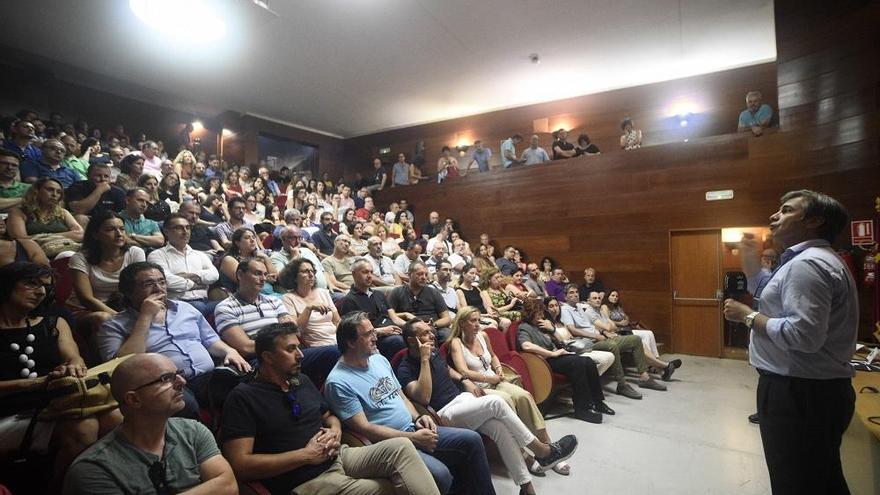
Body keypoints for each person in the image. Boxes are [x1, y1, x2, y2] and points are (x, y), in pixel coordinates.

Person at [722, 190, 856, 494]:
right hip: (813, 390)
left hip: (800, 394)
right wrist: (749, 258)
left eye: (786, 210)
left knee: (795, 483)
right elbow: (766, 287)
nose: (774, 216)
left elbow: (804, 336)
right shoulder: (810, 260)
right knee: (820, 479)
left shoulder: (807, 266)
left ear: (814, 221)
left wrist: (747, 316)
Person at [220, 322, 439, 495]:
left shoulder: (301, 380)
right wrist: (305, 455)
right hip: (305, 479)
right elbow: (240, 464)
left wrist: (335, 431)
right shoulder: (243, 398)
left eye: (299, 347)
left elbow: (330, 416)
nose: (301, 355)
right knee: (389, 487)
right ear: (267, 358)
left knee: (400, 447)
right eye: (291, 349)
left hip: (337, 455)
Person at [398, 318, 577, 495]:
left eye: (430, 331)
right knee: (497, 402)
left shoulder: (435, 352)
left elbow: (446, 369)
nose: (432, 335)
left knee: (500, 428)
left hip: (462, 399)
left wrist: (464, 380)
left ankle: (526, 487)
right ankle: (541, 450)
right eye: (425, 333)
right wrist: (424, 360)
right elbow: (424, 396)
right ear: (412, 341)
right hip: (444, 414)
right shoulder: (405, 368)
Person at [323, 312, 495, 495]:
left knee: (472, 440)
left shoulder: (379, 360)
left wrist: (418, 417)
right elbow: (364, 428)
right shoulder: (338, 382)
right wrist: (412, 439)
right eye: (368, 334)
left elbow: (402, 397)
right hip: (391, 446)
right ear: (350, 342)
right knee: (441, 474)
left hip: (413, 429)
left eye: (374, 332)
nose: (375, 337)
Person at [0, 262, 122, 491]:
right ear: (5, 286)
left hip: (54, 406)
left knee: (116, 416)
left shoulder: (54, 323)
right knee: (83, 428)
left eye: (46, 287)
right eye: (31, 284)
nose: (40, 292)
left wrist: (73, 367)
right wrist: (32, 384)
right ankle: (59, 489)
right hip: (8, 413)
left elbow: (74, 358)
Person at [63, 353, 238, 495]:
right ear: (134, 399)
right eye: (166, 379)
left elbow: (228, 487)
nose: (182, 382)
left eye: (179, 374)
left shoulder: (193, 430)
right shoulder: (93, 469)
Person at [97, 263, 250, 419]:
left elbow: (209, 339)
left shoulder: (185, 308)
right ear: (129, 292)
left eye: (162, 282)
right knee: (185, 405)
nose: (158, 288)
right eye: (149, 284)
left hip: (207, 376)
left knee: (247, 387)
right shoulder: (114, 325)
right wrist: (145, 317)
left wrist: (229, 350)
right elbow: (118, 367)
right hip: (166, 384)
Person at [447, 306, 573, 475]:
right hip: (479, 387)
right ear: (462, 322)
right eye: (473, 321)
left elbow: (492, 356)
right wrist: (487, 378)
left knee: (524, 396)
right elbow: (463, 371)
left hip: (496, 379)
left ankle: (549, 449)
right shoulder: (456, 342)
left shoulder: (483, 336)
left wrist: (498, 368)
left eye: (478, 320)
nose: (477, 324)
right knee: (506, 400)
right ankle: (525, 455)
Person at [561, 286, 665, 399]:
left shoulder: (580, 307)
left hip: (600, 336)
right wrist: (596, 335)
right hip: (588, 342)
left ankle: (644, 377)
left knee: (635, 339)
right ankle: (622, 384)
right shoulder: (566, 309)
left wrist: (603, 332)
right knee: (612, 345)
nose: (575, 294)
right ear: (565, 296)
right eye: (571, 293)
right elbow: (573, 330)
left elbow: (592, 325)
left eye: (576, 292)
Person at [517, 299, 610, 423]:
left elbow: (561, 342)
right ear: (530, 313)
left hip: (556, 355)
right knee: (578, 364)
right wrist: (552, 353)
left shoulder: (542, 326)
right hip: (544, 361)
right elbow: (526, 346)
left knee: (588, 361)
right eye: (538, 313)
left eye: (541, 313)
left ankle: (598, 402)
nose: (541, 316)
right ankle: (582, 409)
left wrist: (553, 330)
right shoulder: (524, 327)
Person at [67, 211, 145, 332]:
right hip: (86, 310)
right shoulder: (80, 258)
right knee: (103, 318)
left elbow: (140, 288)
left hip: (122, 306)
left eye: (122, 229)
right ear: (95, 234)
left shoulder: (135, 253)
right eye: (110, 229)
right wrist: (121, 317)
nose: (119, 234)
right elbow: (86, 298)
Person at [147, 214, 219, 316]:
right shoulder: (157, 255)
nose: (185, 232)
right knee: (199, 308)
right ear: (166, 231)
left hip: (205, 301)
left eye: (188, 227)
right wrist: (195, 284)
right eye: (179, 228)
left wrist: (188, 275)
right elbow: (166, 281)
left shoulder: (199, 254)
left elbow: (214, 275)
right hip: (178, 303)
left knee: (229, 306)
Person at [601, 289, 681, 380]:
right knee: (640, 342)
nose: (615, 298)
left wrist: (625, 321)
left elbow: (626, 317)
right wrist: (620, 323)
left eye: (616, 296)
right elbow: (608, 322)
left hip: (626, 329)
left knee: (648, 335)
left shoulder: (618, 307)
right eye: (612, 295)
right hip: (619, 331)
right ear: (607, 297)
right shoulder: (605, 307)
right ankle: (662, 366)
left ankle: (656, 363)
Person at [338, 259, 406, 360]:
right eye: (365, 272)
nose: (369, 275)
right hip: (373, 339)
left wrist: (412, 325)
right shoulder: (349, 300)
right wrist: (381, 331)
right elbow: (355, 332)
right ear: (354, 274)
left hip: (392, 330)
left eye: (371, 272)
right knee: (398, 341)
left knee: (419, 333)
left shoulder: (379, 294)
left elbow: (394, 318)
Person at [279, 258, 341, 349]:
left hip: (337, 341)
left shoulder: (322, 292)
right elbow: (296, 330)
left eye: (312, 271)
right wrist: (308, 308)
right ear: (294, 277)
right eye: (305, 271)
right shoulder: (288, 298)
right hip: (317, 346)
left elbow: (337, 321)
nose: (311, 275)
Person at [387, 262, 453, 342]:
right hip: (408, 328)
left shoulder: (434, 292)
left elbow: (446, 318)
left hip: (432, 327)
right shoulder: (397, 292)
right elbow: (390, 315)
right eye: (420, 274)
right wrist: (406, 319)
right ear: (409, 274)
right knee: (398, 340)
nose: (424, 277)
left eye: (426, 274)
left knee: (448, 336)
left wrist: (433, 324)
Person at [6, 177, 83, 246]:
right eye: (50, 190)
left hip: (63, 249)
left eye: (59, 192)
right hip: (33, 254)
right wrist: (66, 236)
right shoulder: (18, 212)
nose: (55, 194)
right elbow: (20, 240)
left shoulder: (63, 212)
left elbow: (80, 234)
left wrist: (41, 237)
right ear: (37, 191)